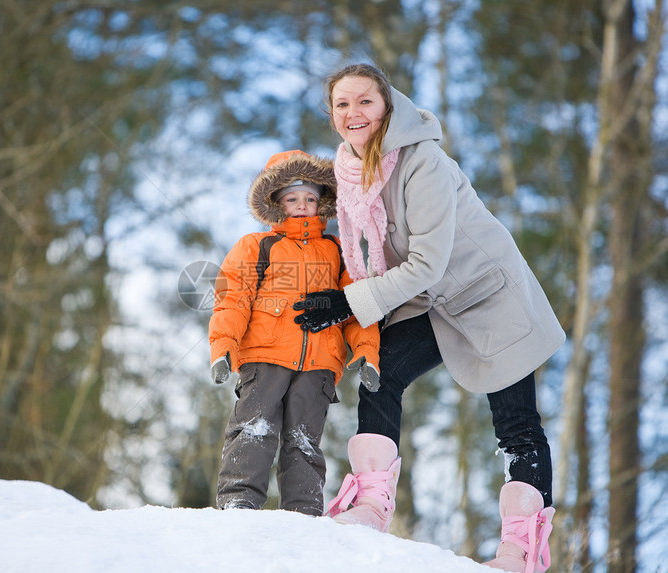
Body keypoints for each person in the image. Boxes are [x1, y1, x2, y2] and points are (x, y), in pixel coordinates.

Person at [293, 64, 564, 572]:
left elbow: (427, 262)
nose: (354, 114)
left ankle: (520, 551)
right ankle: (372, 506)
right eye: (342, 105)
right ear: (332, 116)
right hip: (429, 301)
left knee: (516, 423)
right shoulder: (349, 172)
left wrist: (349, 303)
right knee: (380, 373)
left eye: (365, 102)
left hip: (487, 295)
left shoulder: (422, 162)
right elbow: (366, 256)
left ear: (387, 106)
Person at [209, 149, 381, 517]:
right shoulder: (257, 246)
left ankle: (303, 512)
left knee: (303, 439)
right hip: (263, 356)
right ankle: (239, 502)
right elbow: (232, 299)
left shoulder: (338, 251)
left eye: (309, 198)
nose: (301, 205)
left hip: (320, 363)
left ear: (322, 203)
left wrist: (367, 353)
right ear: (275, 203)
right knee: (254, 428)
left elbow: (357, 307)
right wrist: (223, 346)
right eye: (292, 198)